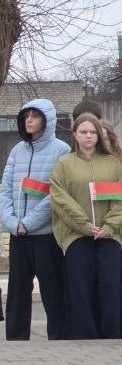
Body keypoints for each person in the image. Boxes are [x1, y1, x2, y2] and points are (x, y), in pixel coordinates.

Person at [0, 98, 70, 340]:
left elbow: (56, 195)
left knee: (52, 290)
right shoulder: (17, 150)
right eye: (26, 116)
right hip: (18, 235)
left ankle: (59, 339)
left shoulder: (62, 150)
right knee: (18, 292)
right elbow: (6, 189)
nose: (29, 120)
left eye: (34, 115)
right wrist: (11, 222)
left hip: (45, 237)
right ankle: (16, 340)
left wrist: (28, 223)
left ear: (47, 120)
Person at [49, 113, 122, 339]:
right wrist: (84, 225)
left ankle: (111, 334)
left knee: (110, 284)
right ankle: (84, 335)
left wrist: (109, 226)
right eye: (83, 132)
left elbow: (119, 199)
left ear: (99, 135)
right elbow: (60, 199)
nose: (88, 136)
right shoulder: (64, 164)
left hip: (110, 235)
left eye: (93, 132)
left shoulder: (114, 164)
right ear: (75, 135)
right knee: (80, 286)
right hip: (76, 235)